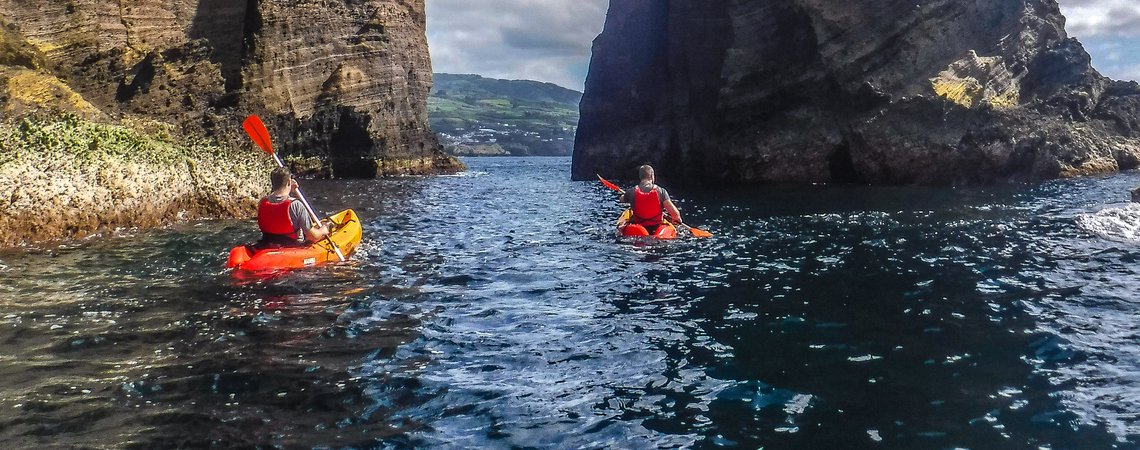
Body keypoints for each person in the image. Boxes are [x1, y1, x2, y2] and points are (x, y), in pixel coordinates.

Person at [255, 167, 329, 249]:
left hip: (267, 244)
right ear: (289, 182)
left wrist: (289, 189)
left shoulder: (262, 202)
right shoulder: (295, 205)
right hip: (292, 247)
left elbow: (277, 199)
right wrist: (323, 230)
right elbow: (313, 237)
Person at [620, 165, 683, 234]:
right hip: (656, 228)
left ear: (640, 177)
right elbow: (675, 215)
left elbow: (621, 200)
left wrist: (625, 195)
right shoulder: (661, 191)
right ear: (652, 176)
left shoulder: (631, 191)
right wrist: (677, 219)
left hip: (638, 230)